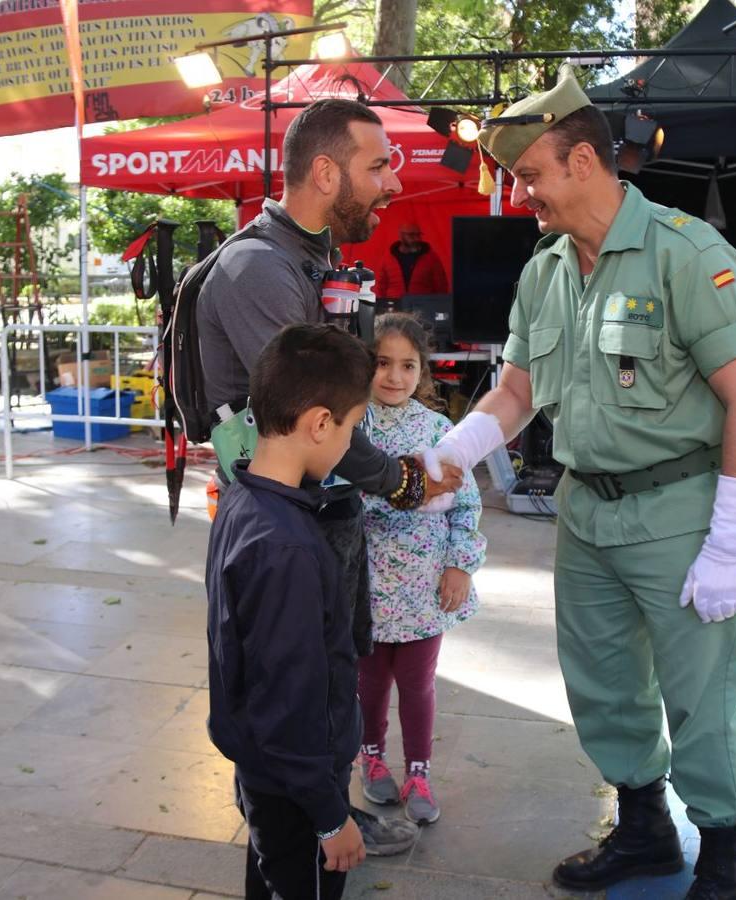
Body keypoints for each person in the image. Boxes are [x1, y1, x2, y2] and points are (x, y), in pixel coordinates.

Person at [425, 69, 736, 899]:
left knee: (700, 695)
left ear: (583, 160)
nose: (523, 195)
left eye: (532, 175)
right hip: (585, 512)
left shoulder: (687, 254)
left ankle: (724, 855)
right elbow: (514, 394)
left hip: (679, 511)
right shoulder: (546, 270)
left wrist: (730, 540)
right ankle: (646, 830)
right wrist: (451, 454)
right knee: (605, 684)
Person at [197, 98, 456, 855]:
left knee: (331, 675)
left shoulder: (309, 261)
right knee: (291, 684)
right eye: (377, 166)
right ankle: (298, 828)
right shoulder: (258, 269)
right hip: (285, 520)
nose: (392, 183)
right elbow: (319, 418)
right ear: (324, 170)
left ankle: (325, 811)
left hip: (323, 513)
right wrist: (402, 483)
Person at [205, 324, 374, 900]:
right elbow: (292, 697)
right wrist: (330, 816)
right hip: (296, 783)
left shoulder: (242, 498)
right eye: (352, 427)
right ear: (320, 422)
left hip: (263, 769)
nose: (351, 443)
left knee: (271, 876)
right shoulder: (289, 548)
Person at [356, 314, 486, 826]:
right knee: (368, 681)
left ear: (422, 372)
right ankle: (369, 757)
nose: (393, 376)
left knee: (417, 681)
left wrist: (460, 564)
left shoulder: (440, 431)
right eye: (382, 363)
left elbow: (466, 504)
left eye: (407, 365)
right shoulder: (351, 426)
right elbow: (345, 501)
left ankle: (417, 771)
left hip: (424, 588)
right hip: (365, 585)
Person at [374, 223, 449, 300]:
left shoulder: (431, 258)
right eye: (411, 235)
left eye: (418, 235)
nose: (416, 239)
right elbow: (381, 286)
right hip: (395, 305)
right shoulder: (388, 258)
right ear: (401, 236)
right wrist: (381, 305)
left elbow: (441, 286)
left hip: (423, 305)